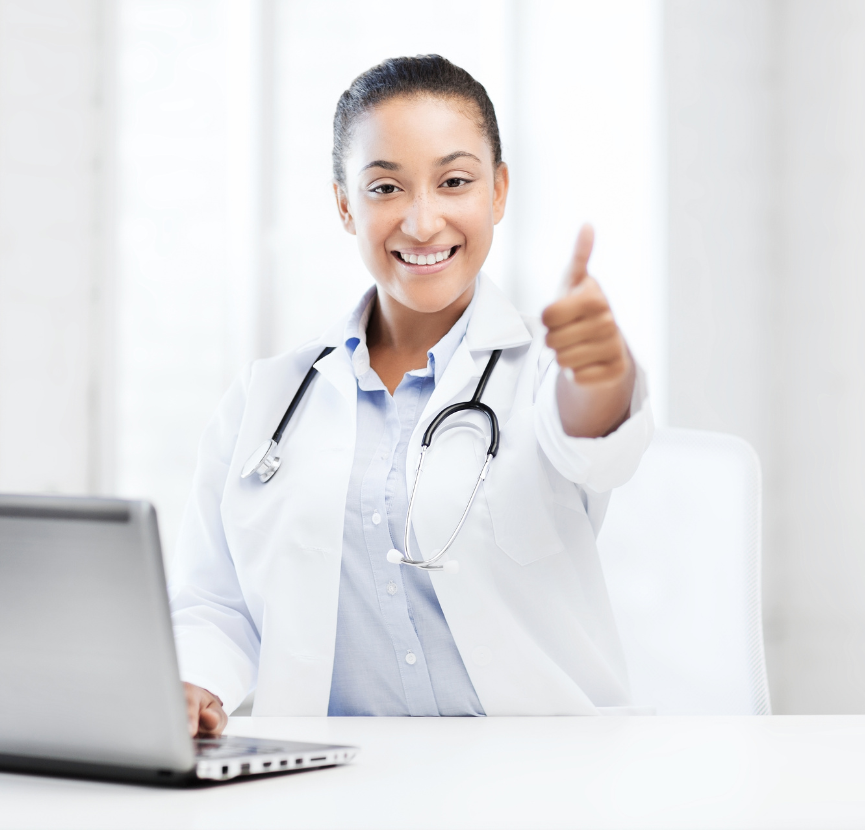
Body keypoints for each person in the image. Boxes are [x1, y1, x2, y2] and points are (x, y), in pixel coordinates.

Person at [172, 55, 654, 736]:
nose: (423, 222)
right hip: (334, 781)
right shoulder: (268, 397)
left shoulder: (545, 369)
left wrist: (601, 371)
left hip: (542, 775)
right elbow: (216, 602)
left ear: (498, 191)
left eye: (454, 181)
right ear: (345, 204)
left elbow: (594, 441)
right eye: (386, 188)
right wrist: (197, 682)